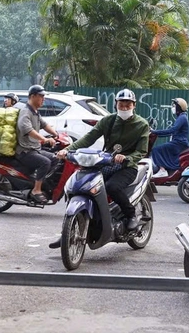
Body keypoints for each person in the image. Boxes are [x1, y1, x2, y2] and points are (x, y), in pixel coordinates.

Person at [49, 89, 150, 248]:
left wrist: (128, 158)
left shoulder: (141, 124)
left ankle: (131, 215)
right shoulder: (108, 121)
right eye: (121, 104)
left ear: (134, 105)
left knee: (112, 187)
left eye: (127, 104)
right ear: (116, 104)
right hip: (107, 162)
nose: (124, 107)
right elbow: (88, 139)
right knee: (83, 185)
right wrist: (67, 150)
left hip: (127, 166)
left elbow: (142, 151)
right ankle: (67, 232)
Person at [15, 85, 60, 204]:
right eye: (41, 96)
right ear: (33, 96)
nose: (43, 99)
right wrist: (44, 139)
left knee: (56, 158)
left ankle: (40, 182)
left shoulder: (35, 112)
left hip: (34, 149)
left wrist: (56, 134)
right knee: (45, 162)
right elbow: (27, 129)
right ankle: (36, 189)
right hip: (25, 151)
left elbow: (44, 125)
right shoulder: (25, 112)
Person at [151, 98, 189, 177]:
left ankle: (162, 170)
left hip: (179, 143)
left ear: (179, 107)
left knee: (156, 150)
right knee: (161, 148)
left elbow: (172, 130)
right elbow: (172, 132)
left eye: (174, 106)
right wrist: (157, 133)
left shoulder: (182, 118)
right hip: (178, 142)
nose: (173, 107)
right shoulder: (181, 117)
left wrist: (154, 132)